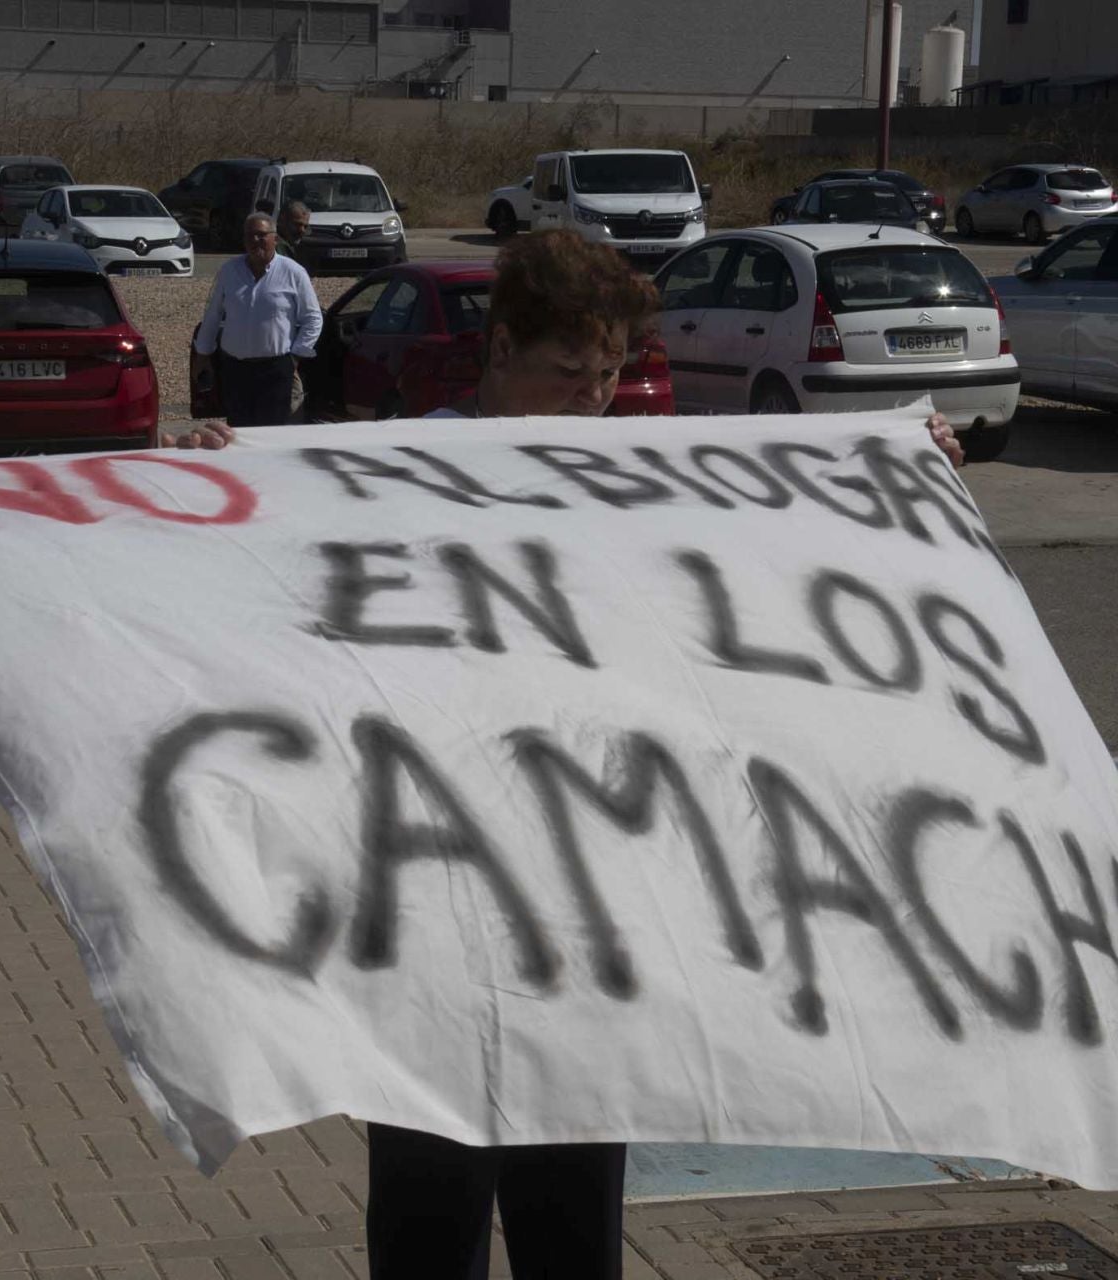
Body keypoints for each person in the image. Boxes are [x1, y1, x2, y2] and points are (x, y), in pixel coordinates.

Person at [167, 228, 964, 1276]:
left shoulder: (622, 471)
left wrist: (894, 461)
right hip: (434, 892)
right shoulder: (399, 462)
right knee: (431, 1207)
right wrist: (205, 476)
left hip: (588, 897)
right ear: (500, 349)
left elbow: (766, 531)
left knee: (575, 1214)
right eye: (569, 371)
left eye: (610, 374)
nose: (593, 398)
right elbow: (273, 566)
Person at [190, 211, 322, 428]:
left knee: (272, 432)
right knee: (239, 432)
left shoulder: (293, 273)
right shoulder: (229, 271)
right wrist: (202, 355)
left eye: (261, 235)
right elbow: (213, 315)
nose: (255, 240)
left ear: (275, 238)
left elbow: (313, 318)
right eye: (249, 235)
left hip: (276, 371)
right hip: (235, 370)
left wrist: (296, 355)